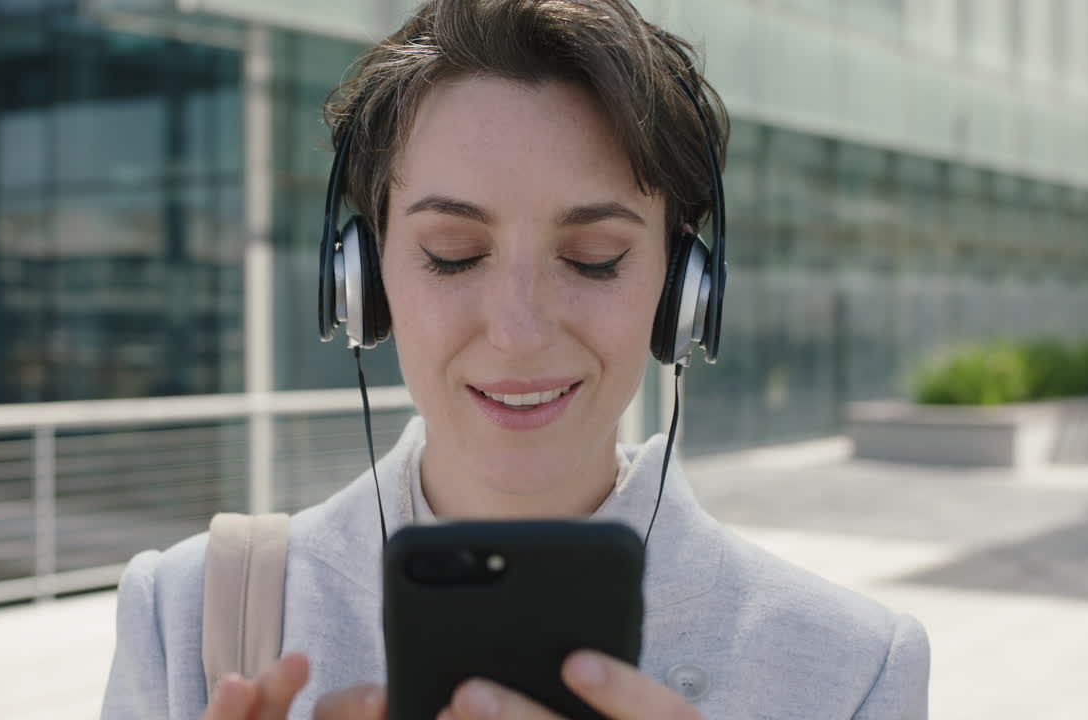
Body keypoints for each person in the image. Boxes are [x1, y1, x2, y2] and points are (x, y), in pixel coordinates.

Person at [101, 1, 931, 718]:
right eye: (454, 254)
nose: (520, 331)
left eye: (597, 257)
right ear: (364, 279)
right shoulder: (188, 618)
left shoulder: (853, 671)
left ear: (683, 290)